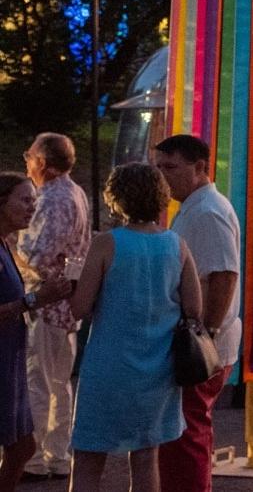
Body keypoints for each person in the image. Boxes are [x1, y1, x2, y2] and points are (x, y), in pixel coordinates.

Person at [69, 163, 203, 492]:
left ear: (117, 198)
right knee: (145, 458)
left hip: (108, 367)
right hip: (157, 369)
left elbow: (80, 309)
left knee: (89, 459)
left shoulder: (106, 244)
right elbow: (194, 309)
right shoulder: (177, 245)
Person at [152, 135, 242, 492]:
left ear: (200, 167)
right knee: (186, 433)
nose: (163, 176)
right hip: (200, 337)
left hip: (202, 341)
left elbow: (224, 276)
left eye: (170, 167)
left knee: (186, 435)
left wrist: (206, 333)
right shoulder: (195, 206)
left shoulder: (207, 211)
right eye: (158, 168)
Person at [17, 133, 89, 481]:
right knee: (60, 383)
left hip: (44, 303)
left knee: (38, 381)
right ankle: (56, 457)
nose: (26, 162)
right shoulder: (75, 192)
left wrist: (9, 245)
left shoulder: (51, 199)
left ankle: (30, 460)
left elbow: (35, 254)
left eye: (28, 156)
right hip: (66, 304)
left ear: (42, 162)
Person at [0, 173, 71, 492]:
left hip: (9, 359)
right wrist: (34, 299)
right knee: (21, 446)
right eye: (25, 200)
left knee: (23, 446)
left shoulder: (6, 242)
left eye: (34, 199)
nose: (33, 207)